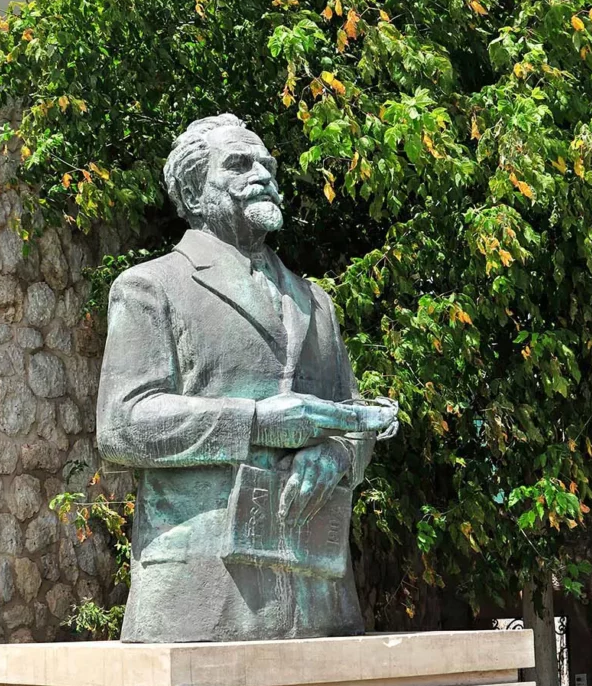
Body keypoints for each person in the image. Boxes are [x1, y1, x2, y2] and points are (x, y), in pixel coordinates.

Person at [97, 113, 397, 642]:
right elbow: (122, 424)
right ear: (193, 191)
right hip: (201, 599)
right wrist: (256, 421)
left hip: (318, 597)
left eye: (267, 165)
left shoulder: (315, 301)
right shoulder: (151, 286)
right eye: (239, 165)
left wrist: (341, 453)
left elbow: (352, 415)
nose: (262, 175)